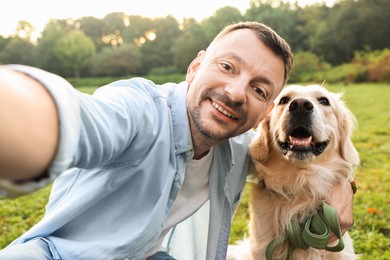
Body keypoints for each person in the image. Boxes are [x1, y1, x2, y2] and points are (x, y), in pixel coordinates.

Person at [0, 21, 354, 260]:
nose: (235, 93)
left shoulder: (239, 147)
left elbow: (303, 160)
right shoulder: (139, 111)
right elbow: (77, 119)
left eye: (259, 89)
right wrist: (24, 118)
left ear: (264, 112)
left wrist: (345, 189)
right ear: (195, 68)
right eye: (227, 67)